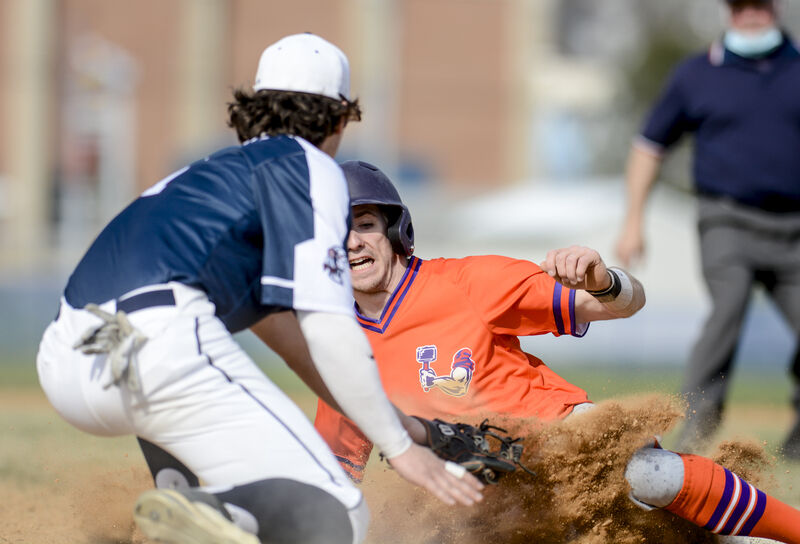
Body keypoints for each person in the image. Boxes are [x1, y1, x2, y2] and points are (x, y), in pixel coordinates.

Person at [35, 34, 482, 544]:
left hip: (69, 361)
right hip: (159, 346)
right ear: (338, 118)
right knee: (333, 512)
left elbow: (291, 342)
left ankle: (191, 503)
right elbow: (329, 331)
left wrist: (404, 426)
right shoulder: (308, 168)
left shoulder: (203, 179)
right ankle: (206, 510)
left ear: (254, 108)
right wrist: (403, 452)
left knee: (256, 493)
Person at [314, 160, 800, 543]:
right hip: (484, 491)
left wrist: (604, 279)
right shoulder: (339, 350)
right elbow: (336, 480)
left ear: (397, 232)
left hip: (565, 439)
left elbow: (622, 306)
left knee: (652, 476)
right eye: (340, 230)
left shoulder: (467, 283)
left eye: (366, 223)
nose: (354, 242)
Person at [614, 0, 800, 455]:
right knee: (727, 311)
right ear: (727, 12)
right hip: (727, 222)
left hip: (795, 229)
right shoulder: (696, 74)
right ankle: (697, 432)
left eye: (759, 5)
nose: (750, 15)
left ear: (774, 9)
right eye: (741, 6)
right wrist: (633, 220)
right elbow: (649, 147)